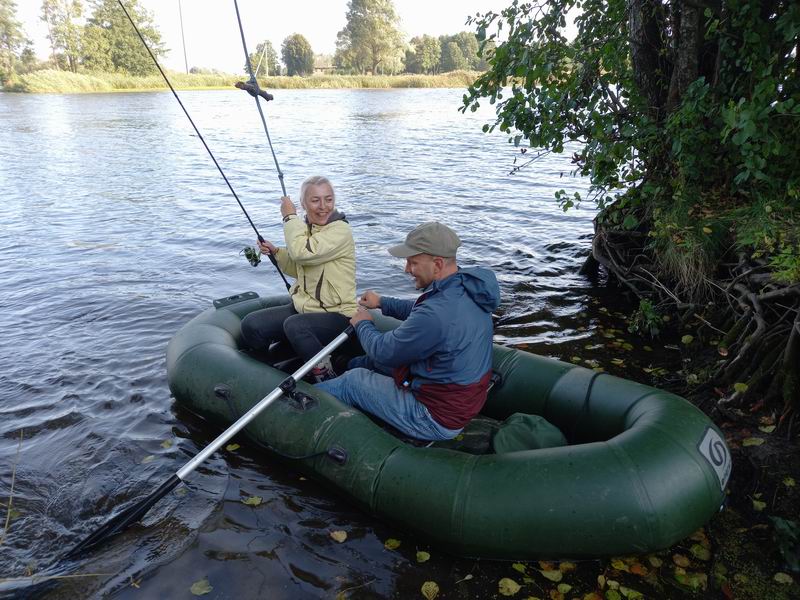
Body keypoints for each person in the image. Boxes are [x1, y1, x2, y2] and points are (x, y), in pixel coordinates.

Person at [317, 221, 500, 441]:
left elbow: (383, 350)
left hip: (435, 417)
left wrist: (363, 322)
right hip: (458, 397)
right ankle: (337, 369)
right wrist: (382, 302)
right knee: (372, 364)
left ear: (437, 264)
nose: (406, 269)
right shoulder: (463, 286)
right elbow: (420, 311)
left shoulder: (437, 314)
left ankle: (300, 401)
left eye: (412, 262)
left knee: (354, 381)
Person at [240, 175, 356, 381]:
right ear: (303, 204)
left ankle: (327, 375)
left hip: (337, 315)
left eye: (328, 199)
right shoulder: (307, 230)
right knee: (252, 325)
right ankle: (265, 375)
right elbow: (301, 266)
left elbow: (302, 252)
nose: (323, 206)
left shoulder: (340, 230)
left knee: (295, 325)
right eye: (315, 200)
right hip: (306, 309)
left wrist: (289, 217)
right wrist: (277, 252)